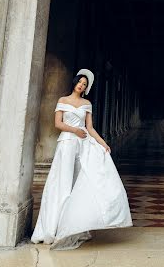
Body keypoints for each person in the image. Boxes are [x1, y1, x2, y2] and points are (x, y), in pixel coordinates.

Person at [31, 69, 132, 250]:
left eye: (85, 84)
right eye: (80, 82)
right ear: (75, 82)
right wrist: (74, 130)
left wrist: (103, 143)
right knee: (62, 183)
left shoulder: (87, 103)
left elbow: (90, 128)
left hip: (83, 145)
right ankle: (53, 227)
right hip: (67, 143)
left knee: (80, 181)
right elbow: (58, 124)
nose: (81, 85)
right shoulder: (62, 100)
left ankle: (74, 225)